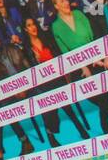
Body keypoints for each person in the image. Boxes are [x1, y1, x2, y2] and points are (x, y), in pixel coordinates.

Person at [49, 0, 108, 134]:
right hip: (78, 65)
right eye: (61, 1)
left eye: (66, 0)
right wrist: (83, 66)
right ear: (56, 6)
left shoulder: (79, 14)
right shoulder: (56, 27)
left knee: (103, 90)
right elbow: (65, 51)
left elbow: (93, 36)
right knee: (91, 95)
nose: (66, 3)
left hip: (95, 57)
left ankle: (104, 125)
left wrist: (99, 58)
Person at [22, 15, 88, 146]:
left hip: (57, 78)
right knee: (50, 112)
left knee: (68, 107)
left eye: (33, 24)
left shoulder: (46, 39)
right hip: (44, 84)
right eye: (29, 26)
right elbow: (30, 70)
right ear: (25, 29)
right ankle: (51, 137)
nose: (33, 27)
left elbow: (58, 55)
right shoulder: (27, 49)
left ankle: (82, 130)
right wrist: (37, 61)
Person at [0, 31, 38, 153]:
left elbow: (28, 68)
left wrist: (25, 86)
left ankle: (50, 134)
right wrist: (13, 91)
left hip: (27, 85)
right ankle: (25, 141)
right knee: (4, 111)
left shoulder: (13, 49)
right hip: (12, 92)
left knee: (44, 96)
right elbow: (0, 83)